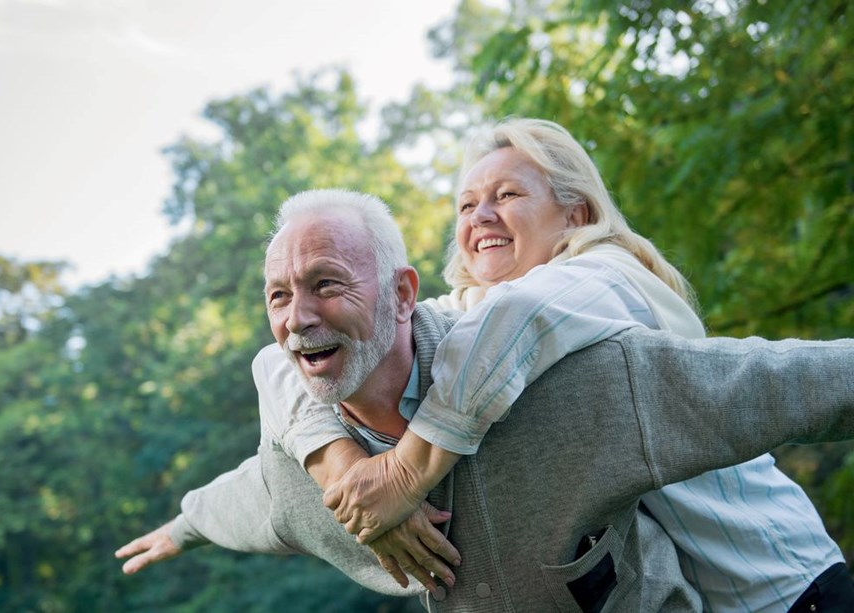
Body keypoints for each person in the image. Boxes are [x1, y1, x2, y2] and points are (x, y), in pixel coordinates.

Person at [117, 189, 854, 611]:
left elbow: (771, 382)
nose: (297, 318)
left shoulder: (563, 384)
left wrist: (407, 474)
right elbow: (251, 497)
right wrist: (185, 522)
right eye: (278, 295)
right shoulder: (303, 473)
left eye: (326, 283)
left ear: (404, 294)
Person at [298, 119, 850, 611]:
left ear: (575, 214)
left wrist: (404, 475)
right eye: (467, 205)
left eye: (506, 194)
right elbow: (286, 360)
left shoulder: (610, 275)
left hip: (790, 587)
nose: (481, 216)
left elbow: (519, 316)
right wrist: (343, 468)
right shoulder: (479, 311)